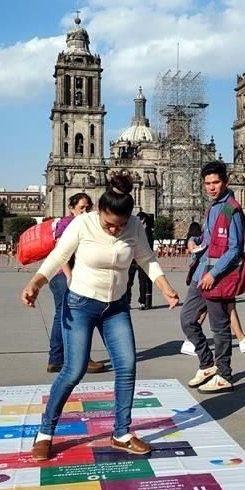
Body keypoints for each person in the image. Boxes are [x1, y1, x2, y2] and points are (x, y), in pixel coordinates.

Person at [21, 173, 180, 461]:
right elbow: (58, 256)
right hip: (81, 304)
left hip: (116, 307)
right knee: (74, 369)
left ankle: (121, 433)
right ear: (99, 211)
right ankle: (45, 432)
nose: (113, 230)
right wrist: (36, 282)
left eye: (119, 226)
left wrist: (165, 287)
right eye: (108, 223)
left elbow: (147, 259)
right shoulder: (84, 223)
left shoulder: (133, 227)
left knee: (127, 365)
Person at [179, 161, 245, 393]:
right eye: (207, 183)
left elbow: (235, 248)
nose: (211, 187)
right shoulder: (212, 208)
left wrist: (214, 273)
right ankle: (207, 363)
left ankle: (225, 373)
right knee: (187, 319)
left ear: (225, 181)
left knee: (219, 328)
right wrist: (193, 241)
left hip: (216, 278)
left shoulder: (232, 209)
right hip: (201, 274)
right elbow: (209, 241)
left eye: (216, 182)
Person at [179, 223, 245, 356]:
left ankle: (240, 341)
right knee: (218, 314)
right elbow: (223, 244)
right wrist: (192, 241)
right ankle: (200, 349)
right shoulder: (219, 214)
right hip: (210, 273)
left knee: (225, 305)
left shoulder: (218, 213)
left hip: (212, 272)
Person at [47, 193, 105, 375]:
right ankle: (81, 359)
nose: (86, 211)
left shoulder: (80, 223)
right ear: (71, 208)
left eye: (89, 207)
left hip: (62, 276)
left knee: (63, 316)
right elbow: (60, 253)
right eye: (82, 208)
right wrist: (70, 277)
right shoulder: (67, 223)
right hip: (64, 276)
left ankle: (56, 359)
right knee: (79, 317)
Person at [126, 210, 154, 310]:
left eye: (140, 220)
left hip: (141, 259)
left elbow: (148, 246)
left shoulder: (148, 231)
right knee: (128, 282)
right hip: (132, 260)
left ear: (144, 220)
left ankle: (142, 302)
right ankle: (127, 301)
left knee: (142, 282)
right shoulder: (133, 230)